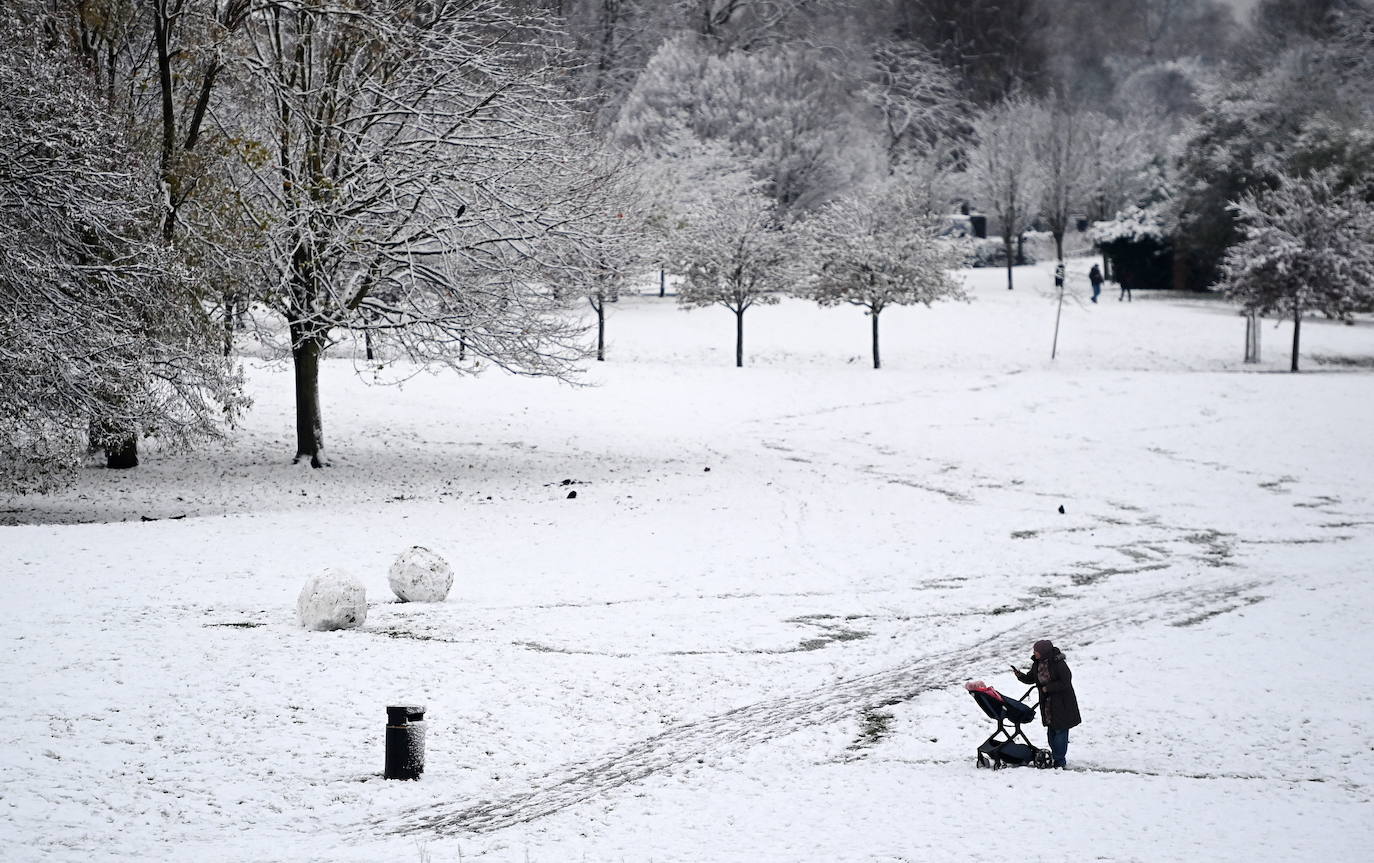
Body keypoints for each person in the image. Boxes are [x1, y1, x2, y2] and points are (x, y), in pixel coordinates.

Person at [1012, 639, 1081, 768]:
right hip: (1048, 704)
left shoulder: (1058, 664)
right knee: (1051, 732)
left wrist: (1048, 688)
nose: (1034, 653)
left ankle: (1059, 760)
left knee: (1060, 731)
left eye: (1036, 651)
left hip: (1062, 703)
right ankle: (1056, 757)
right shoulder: (1037, 664)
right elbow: (1031, 678)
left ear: (1043, 652)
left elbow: (1065, 681)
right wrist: (1020, 675)